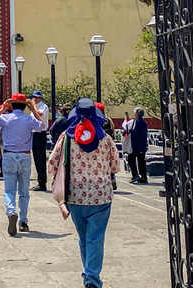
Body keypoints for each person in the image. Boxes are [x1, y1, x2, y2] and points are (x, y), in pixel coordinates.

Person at [48, 98, 120, 288]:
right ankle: (92, 276)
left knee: (83, 236)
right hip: (101, 195)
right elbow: (116, 165)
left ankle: (88, 271)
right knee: (95, 237)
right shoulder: (105, 138)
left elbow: (52, 161)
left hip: (75, 195)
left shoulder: (66, 137)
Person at [0, 94, 46, 235]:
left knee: (9, 190)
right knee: (24, 192)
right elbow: (42, 126)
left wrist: (2, 109)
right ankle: (23, 221)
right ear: (24, 106)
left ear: (12, 106)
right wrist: (33, 110)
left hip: (9, 155)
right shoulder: (28, 119)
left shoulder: (6, 118)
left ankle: (11, 212)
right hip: (25, 155)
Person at [29, 90, 50, 191]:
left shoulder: (43, 106)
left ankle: (42, 182)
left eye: (35, 98)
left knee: (40, 159)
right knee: (36, 159)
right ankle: (40, 181)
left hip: (40, 134)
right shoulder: (34, 108)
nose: (34, 100)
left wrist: (33, 106)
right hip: (34, 134)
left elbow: (40, 115)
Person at [96, 102, 117, 191]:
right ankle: (112, 177)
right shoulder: (108, 119)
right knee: (109, 162)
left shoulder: (96, 119)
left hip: (99, 145)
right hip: (109, 144)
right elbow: (113, 129)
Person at [125, 108, 149, 183]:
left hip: (134, 144)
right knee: (141, 161)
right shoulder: (144, 122)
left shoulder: (134, 122)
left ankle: (135, 175)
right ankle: (143, 176)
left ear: (137, 115)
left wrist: (126, 120)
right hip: (142, 144)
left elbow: (126, 128)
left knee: (131, 159)